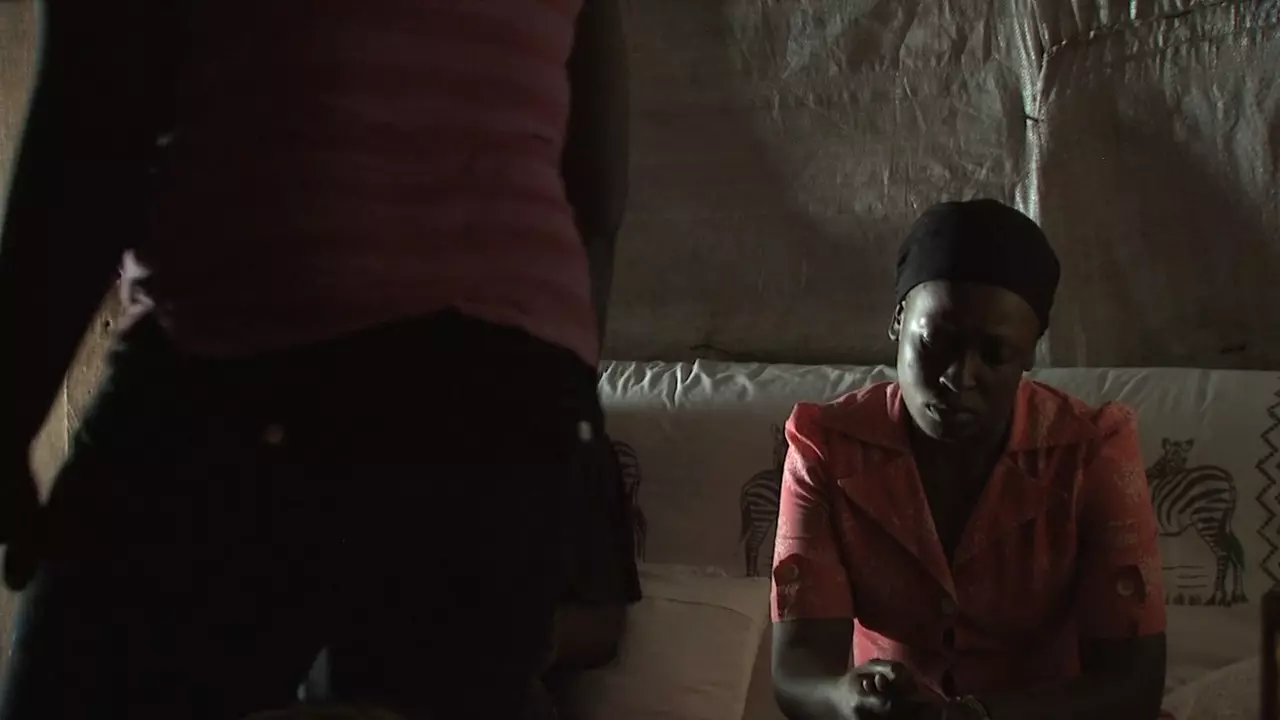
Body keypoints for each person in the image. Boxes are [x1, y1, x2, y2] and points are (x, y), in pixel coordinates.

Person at [0, 0, 628, 718]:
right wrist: (558, 383)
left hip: (253, 342)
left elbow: (90, 121)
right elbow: (598, 181)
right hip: (516, 388)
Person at [769, 200, 1167, 720]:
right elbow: (798, 669)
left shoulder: (1091, 453)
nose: (959, 377)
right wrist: (846, 698)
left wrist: (973, 717)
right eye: (936, 343)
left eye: (995, 354)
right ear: (897, 320)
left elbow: (1133, 686)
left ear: (1031, 351)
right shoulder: (825, 448)